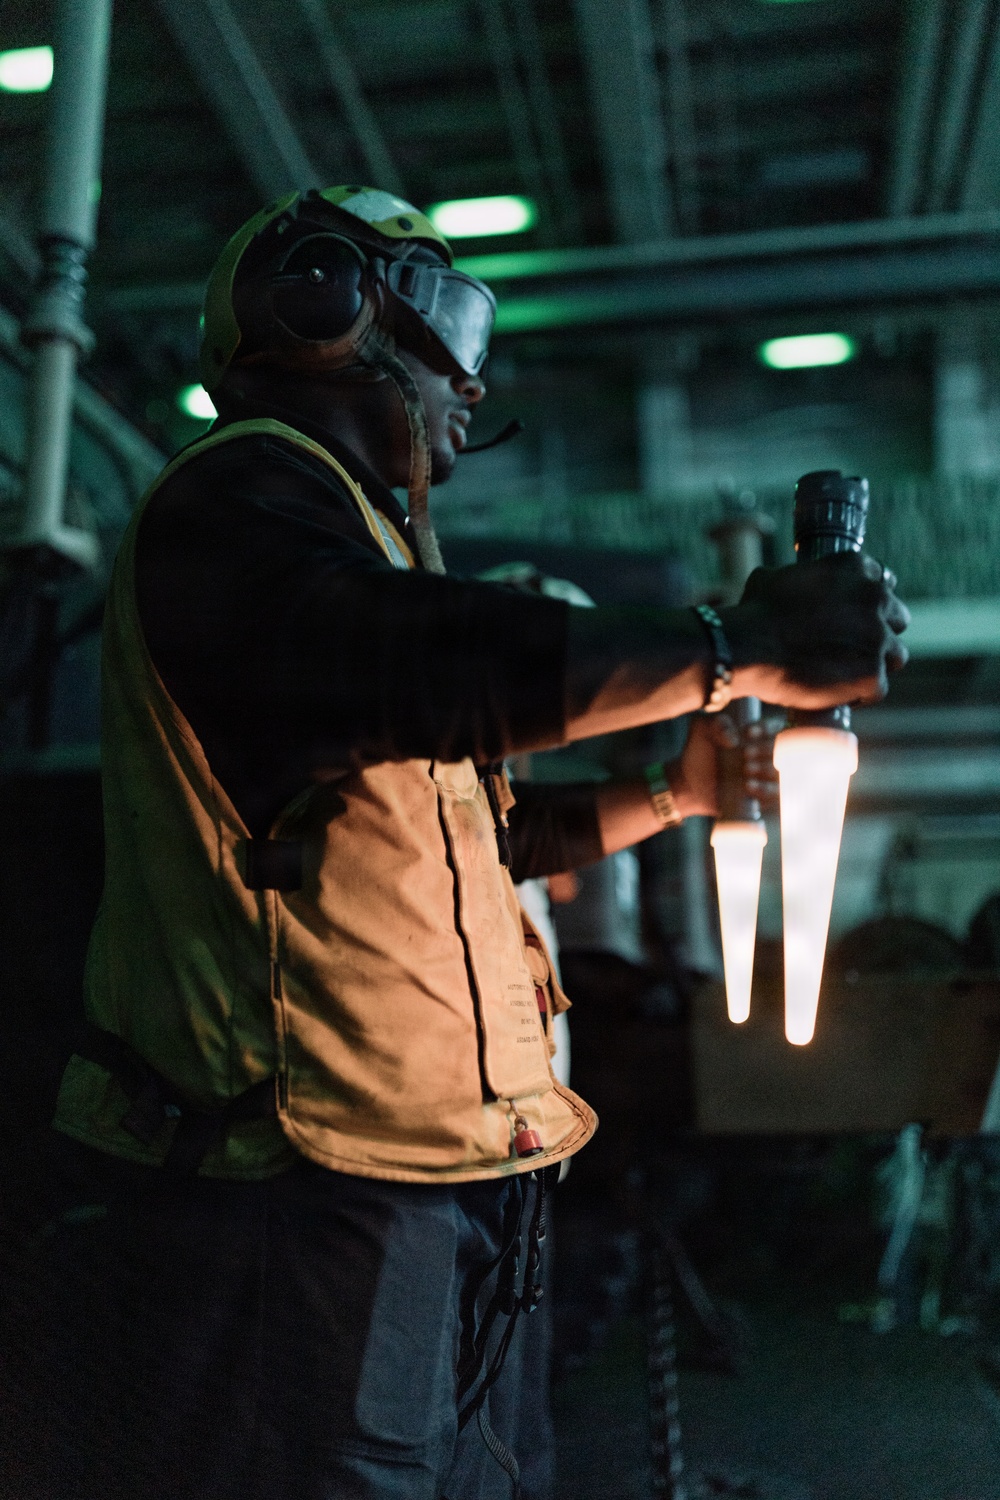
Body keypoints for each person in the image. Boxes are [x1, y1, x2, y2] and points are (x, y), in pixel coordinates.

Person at [14, 186, 908, 1500]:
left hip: (424, 1171)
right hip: (307, 1177)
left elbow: (490, 841)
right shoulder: (236, 503)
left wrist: (674, 794)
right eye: (448, 312)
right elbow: (416, 662)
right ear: (322, 302)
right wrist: (726, 647)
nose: (472, 381)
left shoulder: (368, 560)